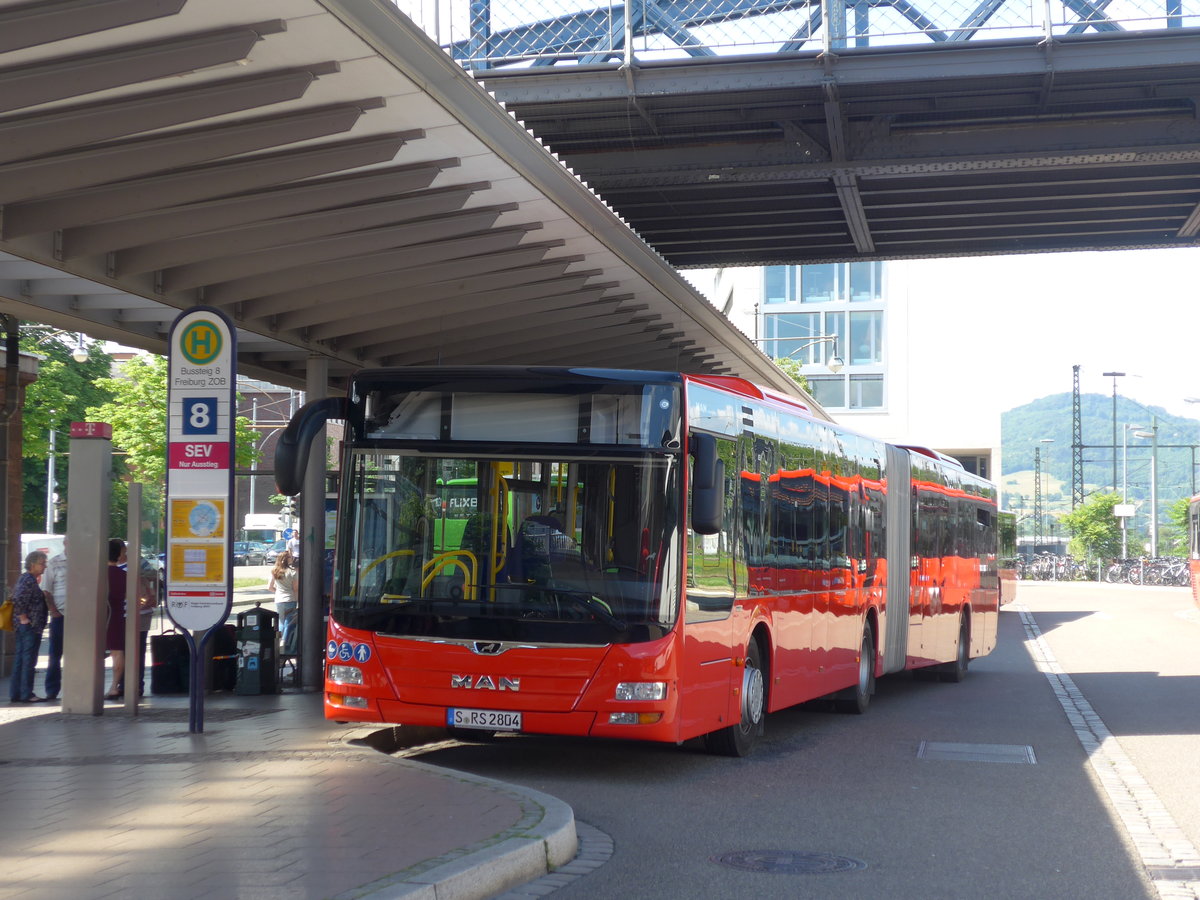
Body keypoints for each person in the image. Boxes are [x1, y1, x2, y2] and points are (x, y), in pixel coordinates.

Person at [9, 550, 49, 703]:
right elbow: (18, 599)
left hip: (27, 627)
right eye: (42, 563)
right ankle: (26, 693)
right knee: (28, 660)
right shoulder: (28, 580)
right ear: (32, 564)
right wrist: (24, 618)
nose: (44, 566)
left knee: (21, 659)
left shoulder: (26, 579)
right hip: (29, 627)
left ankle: (17, 693)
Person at [40, 539, 68, 702]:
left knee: (80, 653)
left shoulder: (84, 562)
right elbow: (46, 590)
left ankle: (77, 688)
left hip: (80, 616)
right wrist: (54, 611)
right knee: (55, 653)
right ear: (65, 544)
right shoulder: (54, 563)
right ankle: (52, 689)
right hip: (60, 615)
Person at [268, 549, 299, 656]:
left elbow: (270, 587)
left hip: (279, 600)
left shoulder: (274, 571)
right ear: (287, 559)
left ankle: (279, 644)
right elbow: (295, 588)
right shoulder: (292, 572)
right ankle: (285, 645)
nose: (292, 559)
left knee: (281, 622)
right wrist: (297, 599)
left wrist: (279, 592)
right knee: (289, 623)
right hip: (290, 599)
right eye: (290, 557)